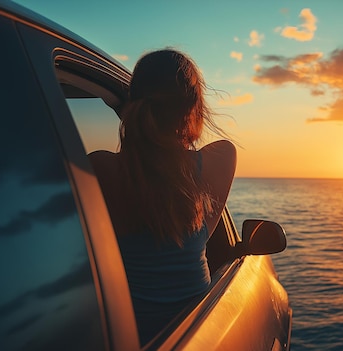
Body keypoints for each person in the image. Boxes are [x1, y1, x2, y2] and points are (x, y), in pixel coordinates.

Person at [88, 49, 236, 344]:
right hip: (199, 336)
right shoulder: (218, 159)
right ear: (193, 107)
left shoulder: (99, 168)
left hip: (129, 339)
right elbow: (203, 235)